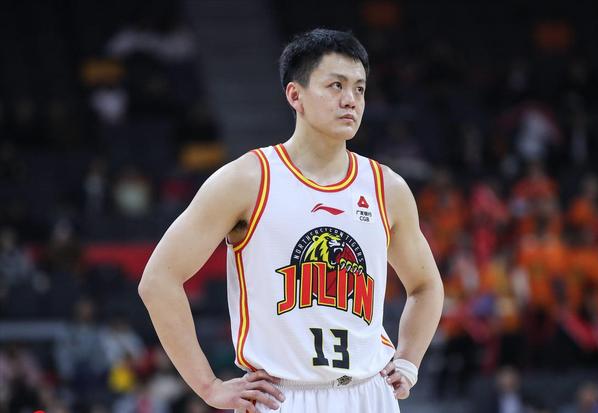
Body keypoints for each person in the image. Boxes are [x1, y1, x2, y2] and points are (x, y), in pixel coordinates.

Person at [139, 28, 444, 412]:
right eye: (336, 85)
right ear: (295, 95)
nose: (350, 100)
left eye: (360, 89)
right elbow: (158, 280)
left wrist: (409, 361)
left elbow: (426, 286)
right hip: (283, 396)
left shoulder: (388, 188)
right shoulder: (247, 180)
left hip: (370, 393)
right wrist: (209, 386)